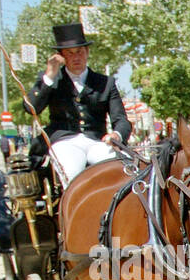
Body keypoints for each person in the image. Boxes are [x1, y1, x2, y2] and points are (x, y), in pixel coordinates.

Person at [23, 22, 131, 187]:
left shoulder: (105, 83)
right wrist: (49, 75)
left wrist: (117, 135)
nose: (76, 57)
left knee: (118, 171)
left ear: (87, 52)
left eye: (79, 52)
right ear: (61, 56)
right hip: (64, 142)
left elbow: (121, 120)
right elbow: (31, 108)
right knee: (73, 174)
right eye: (69, 53)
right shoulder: (52, 80)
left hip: (98, 141)